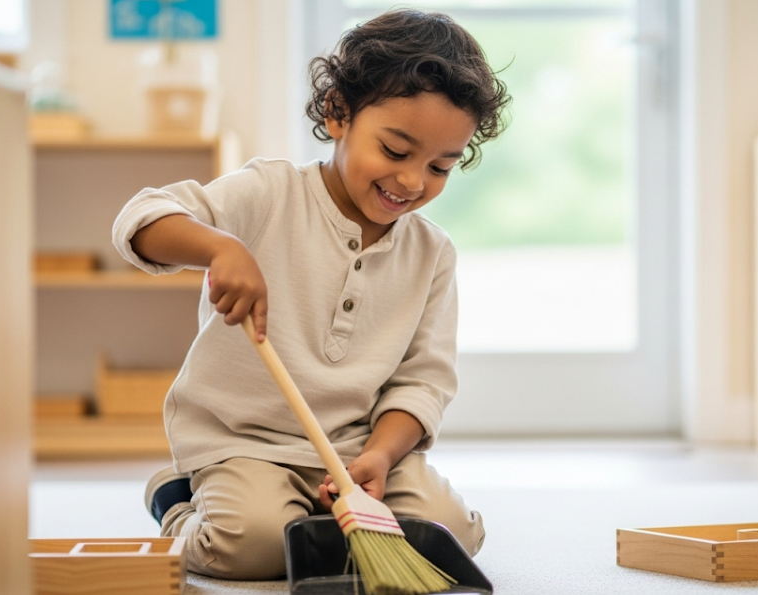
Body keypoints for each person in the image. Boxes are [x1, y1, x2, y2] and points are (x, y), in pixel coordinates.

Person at [112, 8, 510, 580]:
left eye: (441, 166)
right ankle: (177, 500)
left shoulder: (432, 254)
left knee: (449, 535)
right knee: (251, 548)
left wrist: (379, 455)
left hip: (360, 449)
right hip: (244, 443)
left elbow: (423, 381)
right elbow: (142, 217)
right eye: (396, 152)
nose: (413, 182)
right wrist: (221, 248)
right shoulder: (269, 193)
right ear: (338, 113)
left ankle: (322, 528)